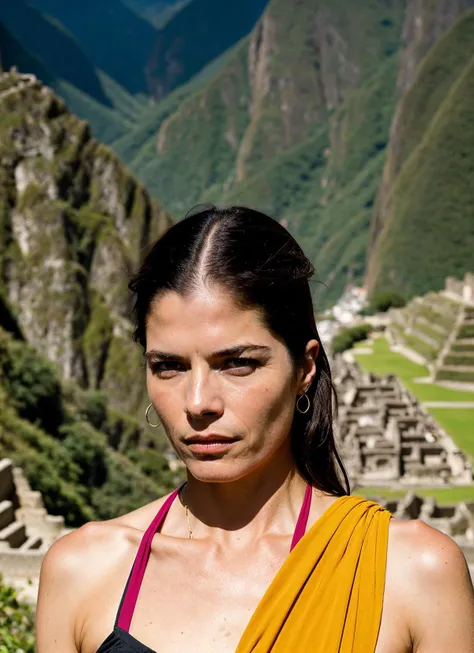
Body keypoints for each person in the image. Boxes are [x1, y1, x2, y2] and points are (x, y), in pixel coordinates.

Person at [36, 206, 474, 653]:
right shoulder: (82, 573)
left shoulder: (412, 575)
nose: (198, 402)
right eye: (169, 366)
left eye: (238, 363)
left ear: (304, 366)